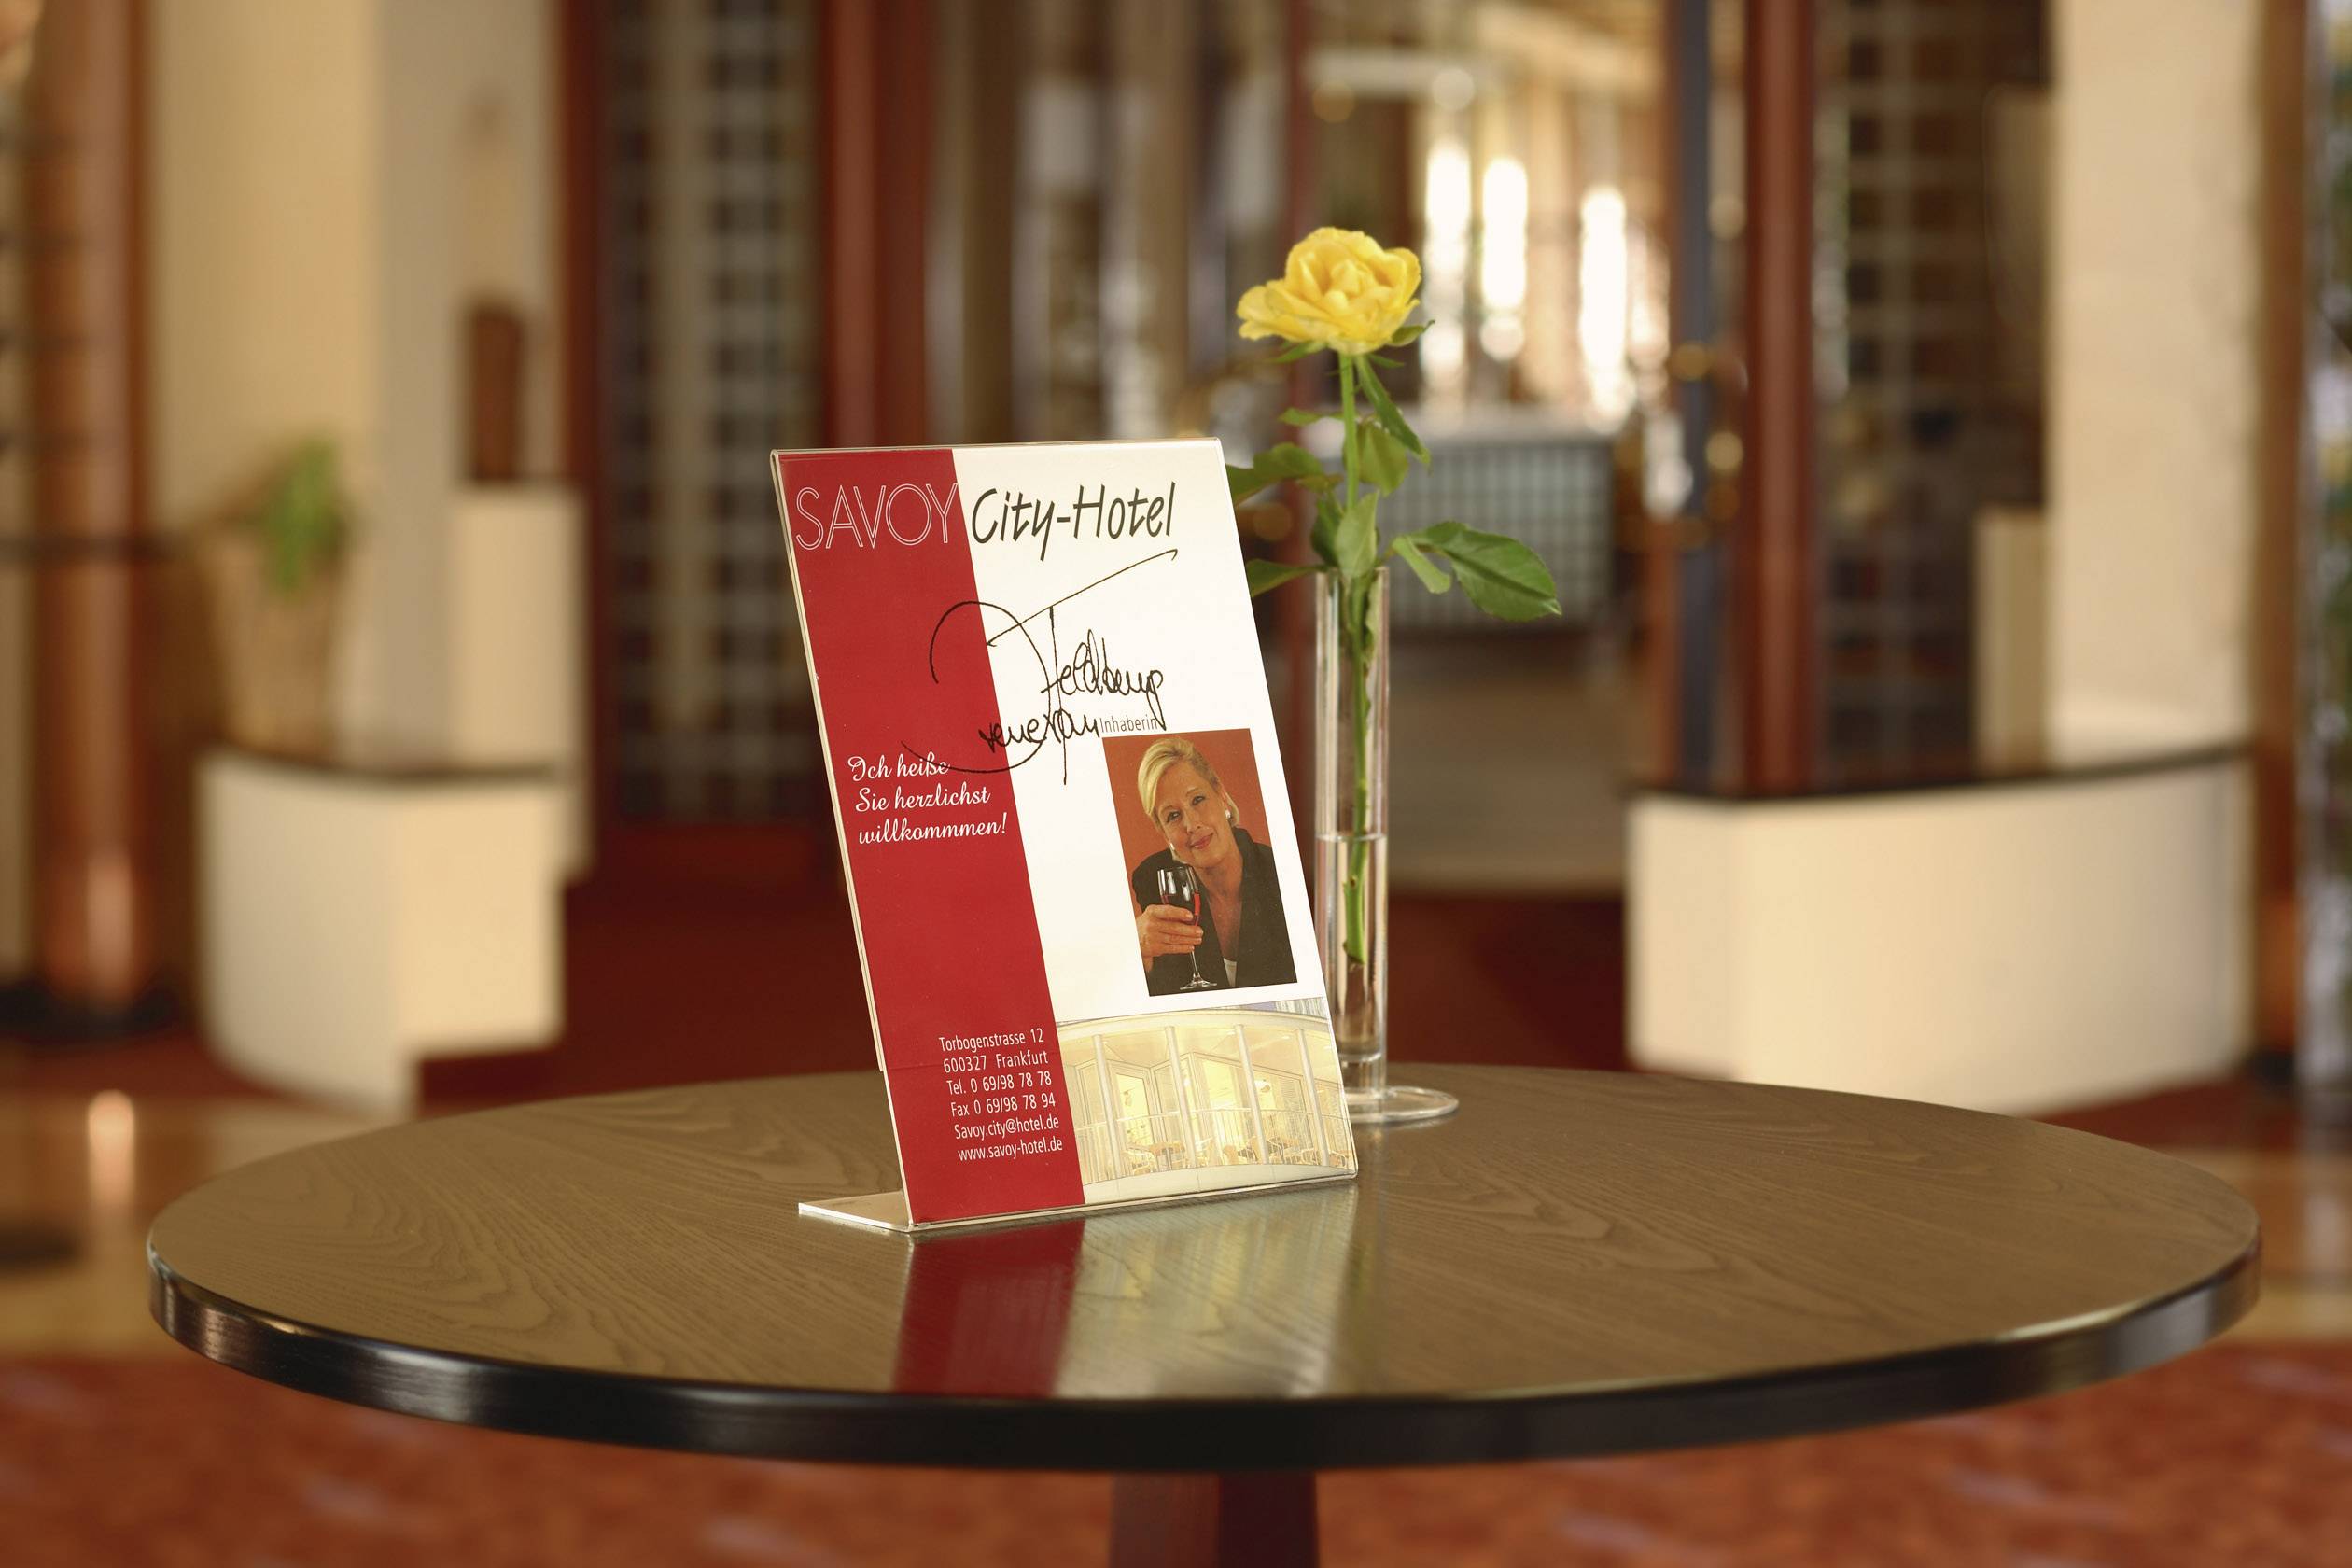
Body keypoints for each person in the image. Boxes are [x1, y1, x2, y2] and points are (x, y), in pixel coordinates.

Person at [1128, 737, 1295, 995]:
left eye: (1197, 800)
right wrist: (1136, 955)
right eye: (1173, 816)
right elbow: (1164, 993)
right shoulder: (1155, 882)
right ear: (1164, 833)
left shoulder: (1281, 872)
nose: (1191, 824)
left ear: (1221, 796)